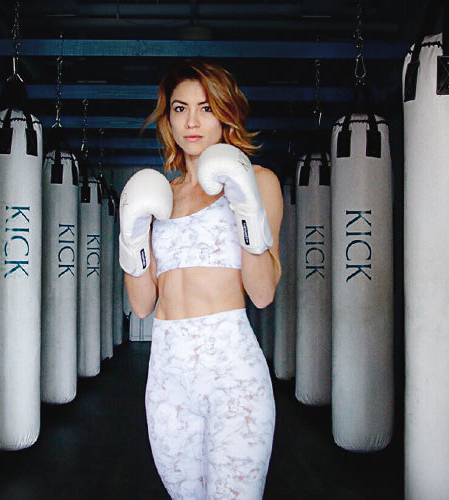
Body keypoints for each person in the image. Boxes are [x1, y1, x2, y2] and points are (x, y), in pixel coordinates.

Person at [117, 59, 284, 499]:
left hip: (232, 372)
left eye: (205, 108)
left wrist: (245, 205)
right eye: (179, 108)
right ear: (167, 117)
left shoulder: (257, 181)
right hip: (168, 375)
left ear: (225, 112)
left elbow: (263, 293)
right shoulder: (158, 197)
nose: (191, 121)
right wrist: (131, 236)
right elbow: (141, 304)